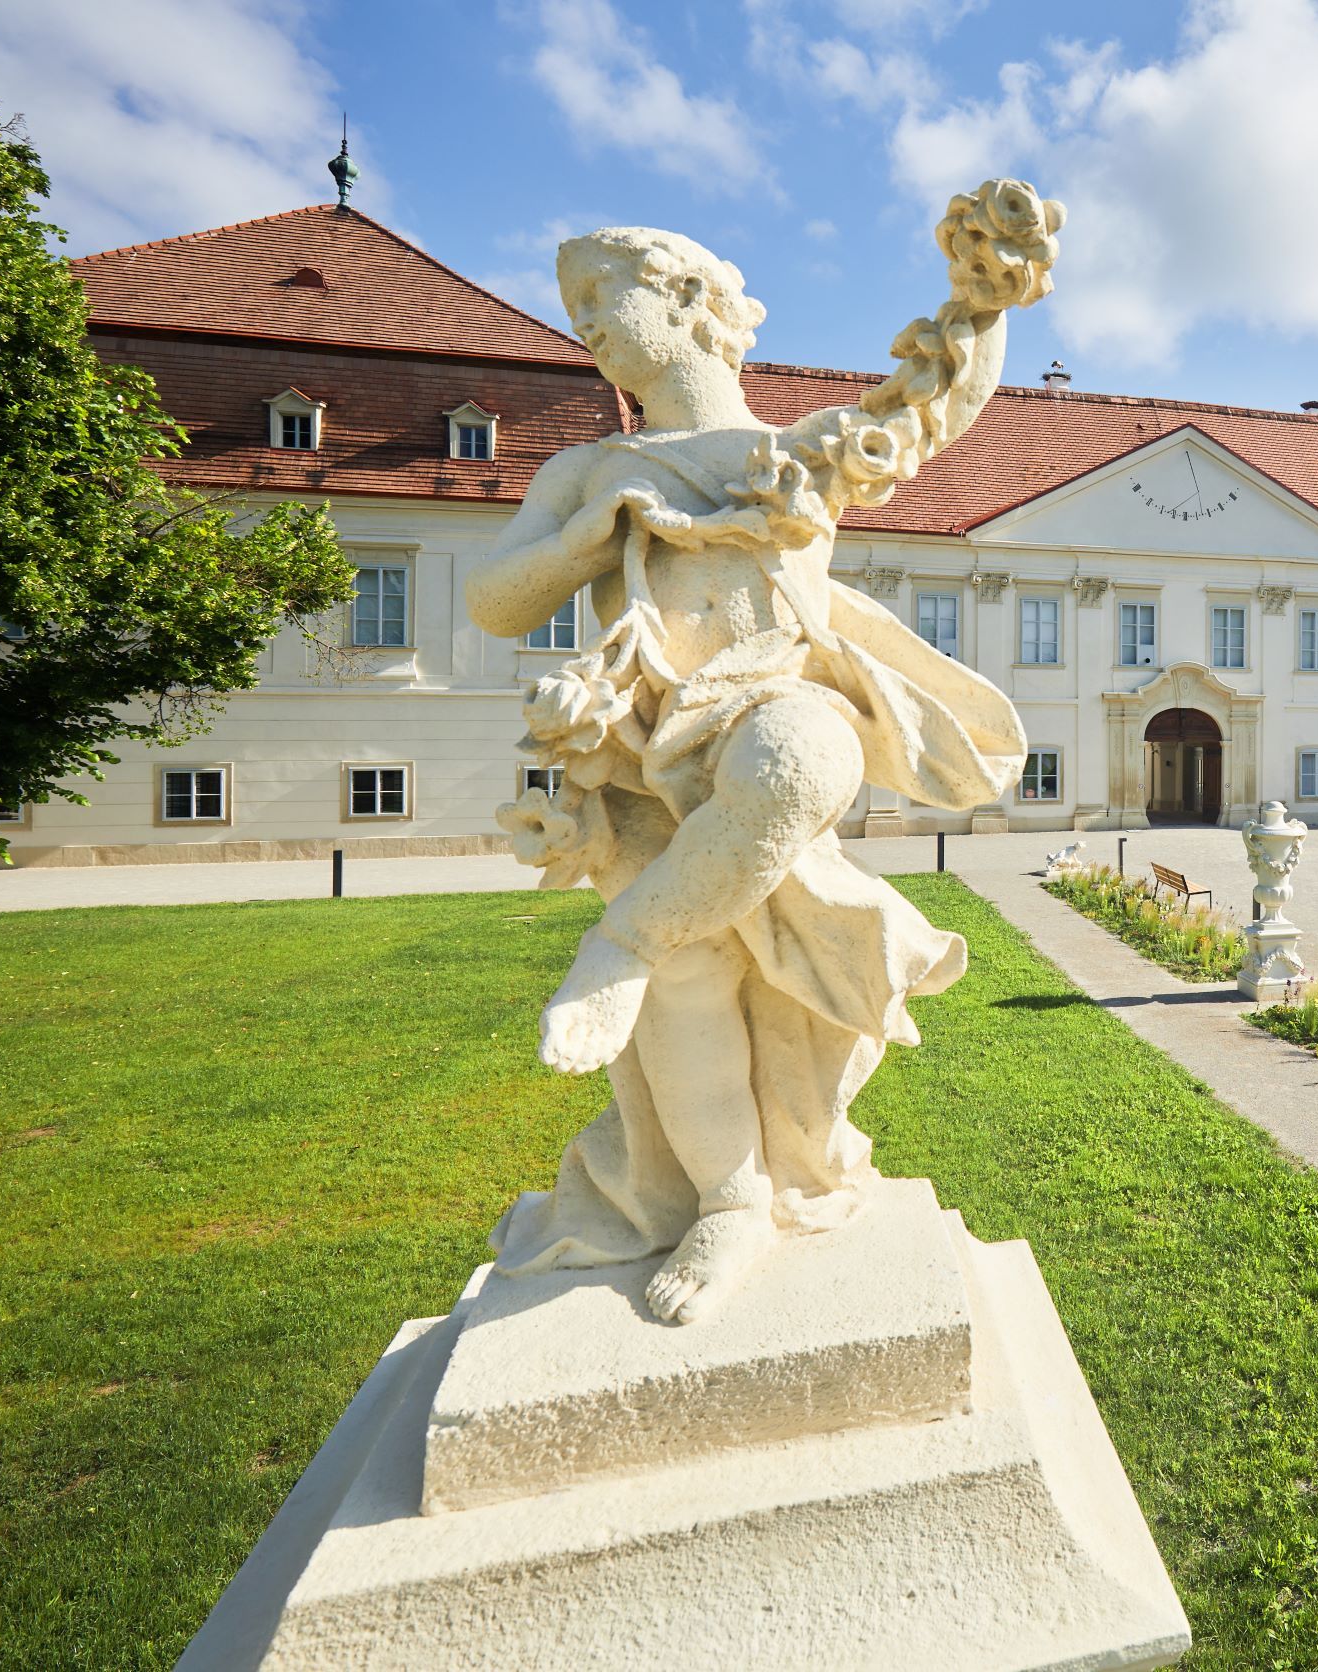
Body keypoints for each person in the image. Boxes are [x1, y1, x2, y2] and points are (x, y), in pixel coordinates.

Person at [465, 181, 1061, 1324]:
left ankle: (619, 945)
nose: (583, 326)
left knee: (799, 759)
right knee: (693, 984)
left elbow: (936, 402)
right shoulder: (585, 472)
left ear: (687, 299)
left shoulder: (799, 453)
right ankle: (731, 1202)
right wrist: (597, 528)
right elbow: (496, 599)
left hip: (775, 704)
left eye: (601, 298)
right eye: (574, 308)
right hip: (645, 750)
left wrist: (988, 296)